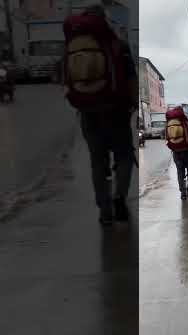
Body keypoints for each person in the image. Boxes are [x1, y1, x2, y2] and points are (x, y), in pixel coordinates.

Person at [63, 5, 138, 225]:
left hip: (88, 115)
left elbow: (64, 80)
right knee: (124, 157)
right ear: (104, 20)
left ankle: (104, 211)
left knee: (97, 162)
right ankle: (119, 198)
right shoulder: (119, 46)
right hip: (117, 113)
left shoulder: (71, 47)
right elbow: (132, 82)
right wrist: (133, 106)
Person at [166, 107, 188, 200]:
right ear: (182, 113)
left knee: (180, 171)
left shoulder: (170, 123)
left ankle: (182, 192)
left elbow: (167, 138)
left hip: (176, 152)